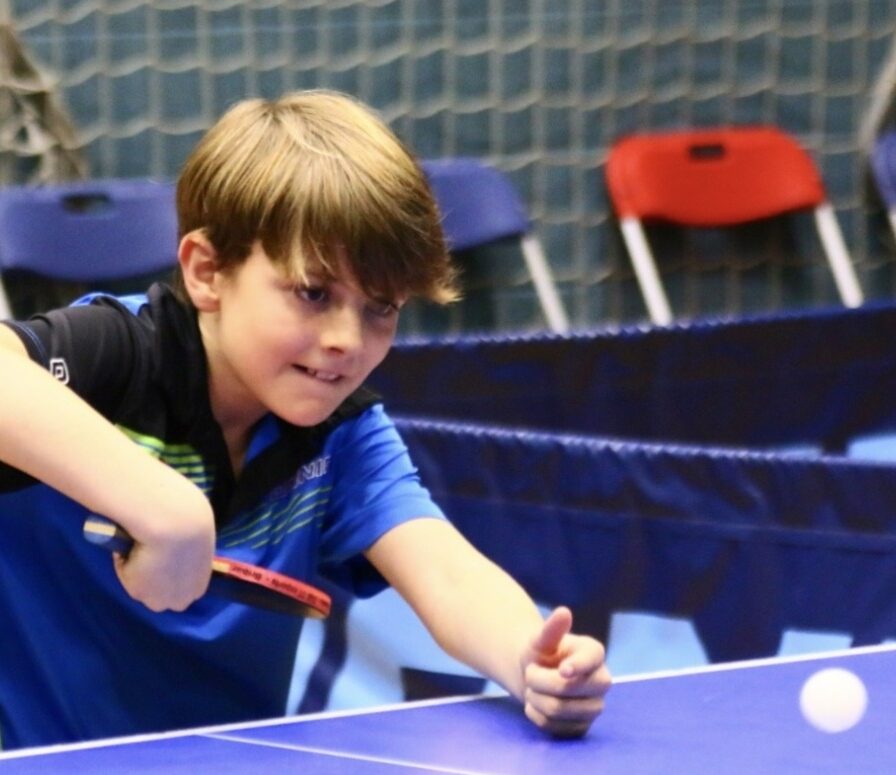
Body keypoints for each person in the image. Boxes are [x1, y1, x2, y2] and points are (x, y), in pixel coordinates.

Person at [0, 90, 611, 749]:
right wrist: (165, 508)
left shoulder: (340, 433)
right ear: (208, 272)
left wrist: (531, 657)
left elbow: (448, 574)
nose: (348, 338)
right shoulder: (117, 356)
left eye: (382, 306)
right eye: (313, 293)